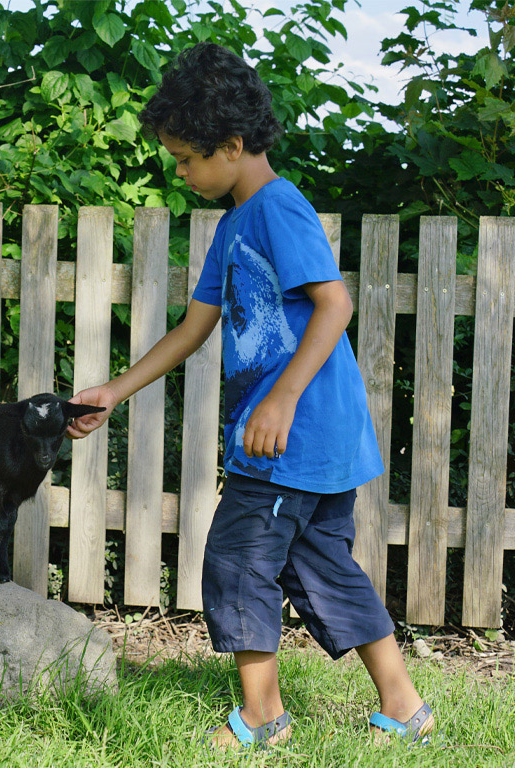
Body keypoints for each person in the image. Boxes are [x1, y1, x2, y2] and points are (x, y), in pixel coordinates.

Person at [67, 42, 432, 749]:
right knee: (322, 568)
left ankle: (264, 719)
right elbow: (194, 329)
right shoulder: (235, 225)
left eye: (186, 159)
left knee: (238, 559)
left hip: (291, 438)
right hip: (307, 443)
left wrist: (281, 398)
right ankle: (405, 705)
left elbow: (334, 304)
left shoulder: (277, 208)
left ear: (231, 145)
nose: (179, 172)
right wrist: (114, 390)